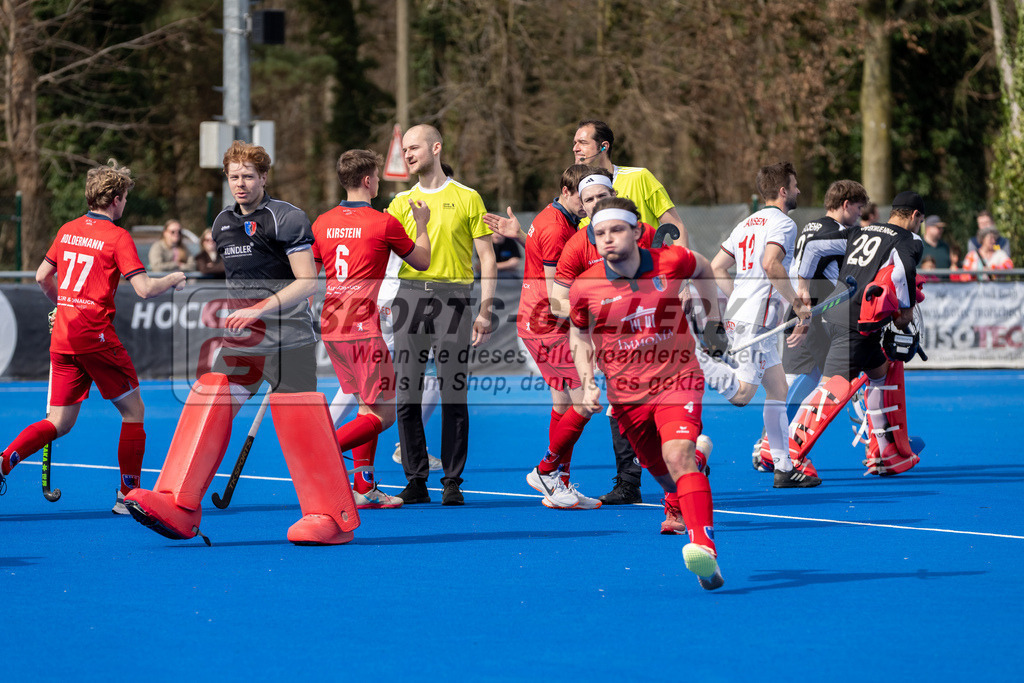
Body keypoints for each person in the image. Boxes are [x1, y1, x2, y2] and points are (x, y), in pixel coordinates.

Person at [125, 140, 360, 546]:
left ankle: (329, 517)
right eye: (234, 176)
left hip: (289, 340)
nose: (240, 183)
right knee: (209, 399)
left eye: (248, 176)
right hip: (243, 343)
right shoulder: (222, 224)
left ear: (263, 177)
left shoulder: (287, 218)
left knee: (301, 424)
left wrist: (260, 308)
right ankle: (179, 503)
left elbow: (308, 282)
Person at [0, 160, 187, 511]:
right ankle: (128, 495)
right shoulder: (118, 236)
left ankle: (4, 460)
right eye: (125, 198)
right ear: (115, 199)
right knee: (133, 411)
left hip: (64, 337)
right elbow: (145, 289)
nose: (125, 204)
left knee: (59, 422)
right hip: (94, 336)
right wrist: (174, 278)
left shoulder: (67, 229)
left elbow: (42, 276)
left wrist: (63, 304)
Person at [568, 196, 728, 590]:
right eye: (600, 233)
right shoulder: (585, 287)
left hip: (677, 378)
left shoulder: (670, 261)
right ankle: (695, 464)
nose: (608, 238)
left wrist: (714, 321)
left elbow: (704, 267)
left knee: (677, 456)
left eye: (616, 229)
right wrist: (587, 382)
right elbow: (579, 334)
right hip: (626, 396)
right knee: (668, 477)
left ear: (637, 231)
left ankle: (704, 549)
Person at [312, 149, 432, 509]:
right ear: (367, 180)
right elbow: (422, 261)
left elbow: (309, 274)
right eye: (376, 176)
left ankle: (364, 486)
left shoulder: (321, 222)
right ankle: (320, 452)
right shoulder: (382, 223)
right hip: (362, 328)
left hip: (331, 326)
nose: (378, 181)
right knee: (384, 415)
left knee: (368, 405)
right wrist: (422, 224)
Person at [387, 124, 496, 506]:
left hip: (454, 300)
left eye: (414, 147)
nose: (408, 154)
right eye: (405, 149)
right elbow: (384, 255)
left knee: (453, 392)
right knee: (406, 393)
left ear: (436, 148)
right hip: (408, 298)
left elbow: (486, 258)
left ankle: (452, 481)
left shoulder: (467, 196)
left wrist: (485, 311)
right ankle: (416, 479)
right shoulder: (400, 202)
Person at [483, 164, 603, 509]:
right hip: (548, 325)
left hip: (542, 323)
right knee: (585, 402)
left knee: (563, 404)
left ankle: (558, 485)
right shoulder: (555, 226)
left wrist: (521, 236)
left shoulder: (558, 218)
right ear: (566, 191)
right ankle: (546, 470)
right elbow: (557, 297)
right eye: (585, 198)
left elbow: (549, 257)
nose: (590, 205)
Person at [790, 191, 927, 477]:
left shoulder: (860, 231)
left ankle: (884, 452)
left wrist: (803, 288)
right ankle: (785, 452)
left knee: (880, 374)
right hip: (856, 322)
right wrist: (906, 313)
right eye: (921, 220)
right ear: (915, 215)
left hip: (839, 313)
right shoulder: (909, 239)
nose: (919, 226)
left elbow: (813, 246)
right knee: (831, 388)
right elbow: (904, 272)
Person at [709, 161, 819, 488]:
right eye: (795, 186)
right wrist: (798, 306)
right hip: (757, 321)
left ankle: (783, 467)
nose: (798, 191)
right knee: (743, 394)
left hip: (751, 317)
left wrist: (739, 300)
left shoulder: (745, 224)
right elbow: (771, 264)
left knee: (778, 389)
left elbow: (717, 267)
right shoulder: (783, 223)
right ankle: (699, 363)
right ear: (783, 191)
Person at [572, 119, 688, 247]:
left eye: (583, 142)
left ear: (604, 146)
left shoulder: (639, 177)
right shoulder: (575, 192)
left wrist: (681, 258)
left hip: (650, 259)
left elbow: (676, 227)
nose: (575, 148)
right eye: (575, 143)